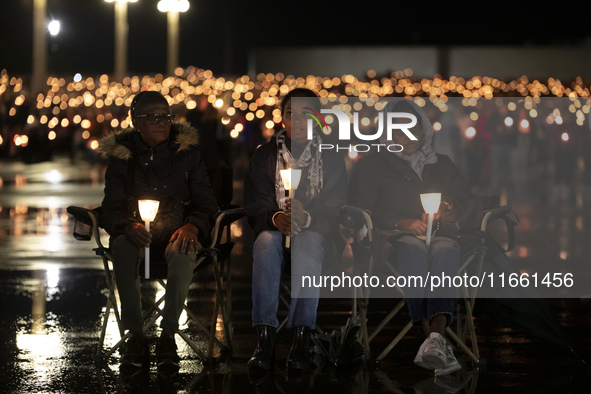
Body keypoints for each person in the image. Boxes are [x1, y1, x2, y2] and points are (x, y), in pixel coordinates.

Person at [348, 98, 472, 376]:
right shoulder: (372, 165)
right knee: (413, 251)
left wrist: (447, 209)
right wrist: (400, 222)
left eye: (414, 129)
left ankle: (434, 340)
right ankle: (434, 341)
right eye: (400, 130)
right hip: (393, 239)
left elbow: (467, 202)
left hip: (440, 235)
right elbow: (359, 205)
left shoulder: (442, 165)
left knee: (447, 250)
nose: (409, 136)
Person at [98, 91, 217, 371]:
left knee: (184, 250)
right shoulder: (121, 157)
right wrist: (127, 225)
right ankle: (135, 336)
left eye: (166, 116)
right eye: (153, 117)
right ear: (136, 121)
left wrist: (193, 225)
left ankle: (168, 335)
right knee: (123, 249)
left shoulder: (187, 154)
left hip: (177, 231)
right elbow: (110, 207)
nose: (162, 122)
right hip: (136, 234)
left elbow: (207, 202)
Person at [244, 88, 347, 373]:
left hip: (318, 240)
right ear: (282, 117)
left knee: (309, 241)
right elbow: (255, 201)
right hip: (276, 234)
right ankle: (264, 340)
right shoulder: (265, 156)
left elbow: (336, 206)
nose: (298, 120)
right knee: (265, 241)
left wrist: (309, 217)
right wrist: (275, 217)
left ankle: (301, 337)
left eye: (306, 114)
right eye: (291, 113)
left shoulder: (331, 158)